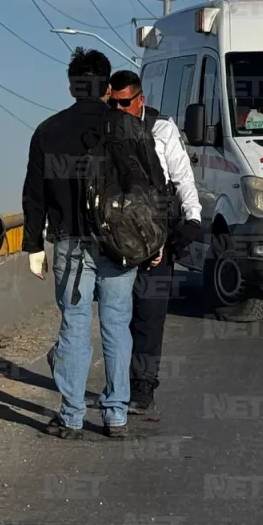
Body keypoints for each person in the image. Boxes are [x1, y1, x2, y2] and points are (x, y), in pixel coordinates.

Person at [22, 48, 162, 440]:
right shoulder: (129, 127)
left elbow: (34, 195)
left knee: (74, 325)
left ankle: (71, 417)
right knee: (118, 326)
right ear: (106, 87)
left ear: (71, 86)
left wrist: (32, 245)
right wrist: (156, 239)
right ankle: (116, 415)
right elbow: (154, 186)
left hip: (70, 242)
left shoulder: (48, 131)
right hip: (120, 244)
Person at [107, 70, 203, 415]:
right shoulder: (104, 129)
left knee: (149, 315)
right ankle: (107, 377)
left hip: (155, 236)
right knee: (115, 316)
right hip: (112, 236)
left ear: (140, 100)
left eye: (124, 103)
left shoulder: (161, 129)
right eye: (112, 102)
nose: (118, 109)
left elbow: (181, 176)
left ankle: (143, 385)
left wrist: (192, 216)